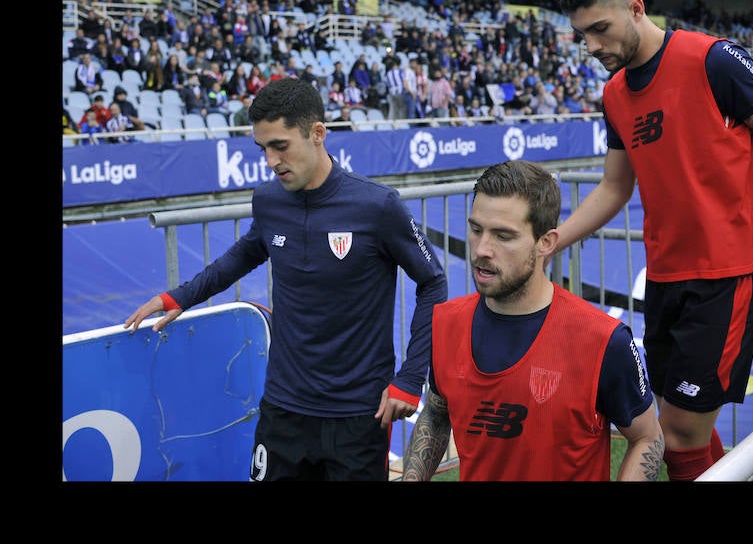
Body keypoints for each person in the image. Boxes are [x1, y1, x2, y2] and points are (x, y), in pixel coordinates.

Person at [553, 0, 753, 481]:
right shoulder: (614, 94)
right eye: (582, 35)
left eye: (600, 30)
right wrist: (551, 240)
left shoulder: (712, 60)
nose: (591, 47)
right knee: (674, 421)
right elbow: (614, 187)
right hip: (666, 278)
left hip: (729, 276)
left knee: (677, 433)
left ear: (636, 8)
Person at [123, 77, 448, 481]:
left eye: (280, 146)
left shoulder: (378, 206)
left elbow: (433, 282)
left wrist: (410, 377)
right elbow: (245, 253)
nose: (272, 160)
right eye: (263, 148)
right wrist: (180, 297)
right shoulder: (268, 199)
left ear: (317, 134)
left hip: (359, 415)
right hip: (283, 411)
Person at [401, 160, 663, 481]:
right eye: (476, 229)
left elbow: (648, 437)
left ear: (546, 243)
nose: (482, 249)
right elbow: (437, 413)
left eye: (503, 236)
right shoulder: (447, 322)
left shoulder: (603, 339)